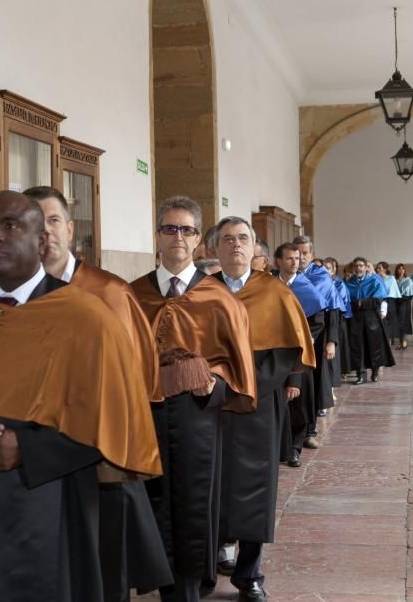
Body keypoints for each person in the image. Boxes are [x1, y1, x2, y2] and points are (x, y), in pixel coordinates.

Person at [0, 191, 160, 602]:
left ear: (42, 241)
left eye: (10, 227)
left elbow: (114, 424)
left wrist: (27, 449)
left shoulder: (88, 319)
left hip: (46, 508)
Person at [24, 185, 171, 601]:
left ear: (71, 229)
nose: (45, 232)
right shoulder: (12, 295)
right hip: (31, 458)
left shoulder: (109, 292)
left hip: (100, 459)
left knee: (103, 573)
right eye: (34, 222)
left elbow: (136, 379)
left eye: (53, 220)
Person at [129, 196, 256, 602]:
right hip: (143, 414)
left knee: (191, 504)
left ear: (200, 239)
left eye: (186, 229)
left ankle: (187, 586)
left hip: (196, 416)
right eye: (170, 228)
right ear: (158, 235)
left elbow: (237, 367)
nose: (177, 236)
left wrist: (212, 383)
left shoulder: (219, 298)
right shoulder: (132, 295)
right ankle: (154, 577)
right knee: (147, 499)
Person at [213, 218, 315, 602]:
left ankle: (249, 573)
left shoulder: (275, 293)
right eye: (227, 240)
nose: (235, 246)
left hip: (259, 402)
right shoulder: (203, 293)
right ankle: (214, 557)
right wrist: (218, 387)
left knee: (256, 486)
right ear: (214, 249)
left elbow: (288, 349)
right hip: (212, 404)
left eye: (243, 239)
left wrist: (246, 384)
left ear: (254, 248)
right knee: (213, 482)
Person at [275, 243, 326, 466]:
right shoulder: (268, 285)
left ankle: (295, 448)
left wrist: (304, 338)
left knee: (299, 400)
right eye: (289, 258)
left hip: (299, 352)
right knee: (279, 400)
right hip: (273, 352)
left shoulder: (307, 287)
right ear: (278, 261)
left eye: (297, 258)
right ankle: (279, 447)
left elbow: (318, 321)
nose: (295, 262)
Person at [293, 236, 339, 442]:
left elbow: (333, 311)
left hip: (317, 339)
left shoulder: (321, 276)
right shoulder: (286, 276)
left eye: (305, 253)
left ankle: (310, 431)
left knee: (313, 385)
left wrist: (332, 341)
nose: (301, 257)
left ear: (312, 255)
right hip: (291, 338)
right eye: (298, 253)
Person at [345, 256, 395, 384]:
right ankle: (360, 374)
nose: (358, 268)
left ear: (366, 267)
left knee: (374, 345)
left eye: (361, 266)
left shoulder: (374, 281)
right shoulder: (349, 282)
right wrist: (358, 303)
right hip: (355, 319)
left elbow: (378, 299)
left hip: (371, 318)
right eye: (356, 266)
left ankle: (375, 371)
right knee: (357, 346)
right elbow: (346, 300)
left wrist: (362, 303)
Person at [325, 256, 354, 376]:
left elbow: (342, 301)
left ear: (333, 270)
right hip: (326, 318)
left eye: (328, 268)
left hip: (338, 318)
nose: (325, 271)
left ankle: (341, 371)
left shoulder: (339, 283)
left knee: (338, 346)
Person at [376, 261, 402, 347]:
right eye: (377, 267)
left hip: (390, 300)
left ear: (385, 269)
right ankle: (383, 340)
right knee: (382, 320)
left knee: (389, 321)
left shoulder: (391, 279)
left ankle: (390, 340)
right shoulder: (376, 278)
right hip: (380, 300)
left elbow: (392, 291)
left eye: (379, 268)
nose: (377, 269)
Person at [394, 263, 413, 349]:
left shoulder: (408, 280)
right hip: (395, 302)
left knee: (402, 322)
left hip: (404, 303)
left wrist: (403, 298)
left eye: (402, 269)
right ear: (396, 270)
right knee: (397, 323)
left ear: (404, 270)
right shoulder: (394, 280)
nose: (401, 270)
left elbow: (411, 295)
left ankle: (403, 341)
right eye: (399, 269)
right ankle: (402, 341)